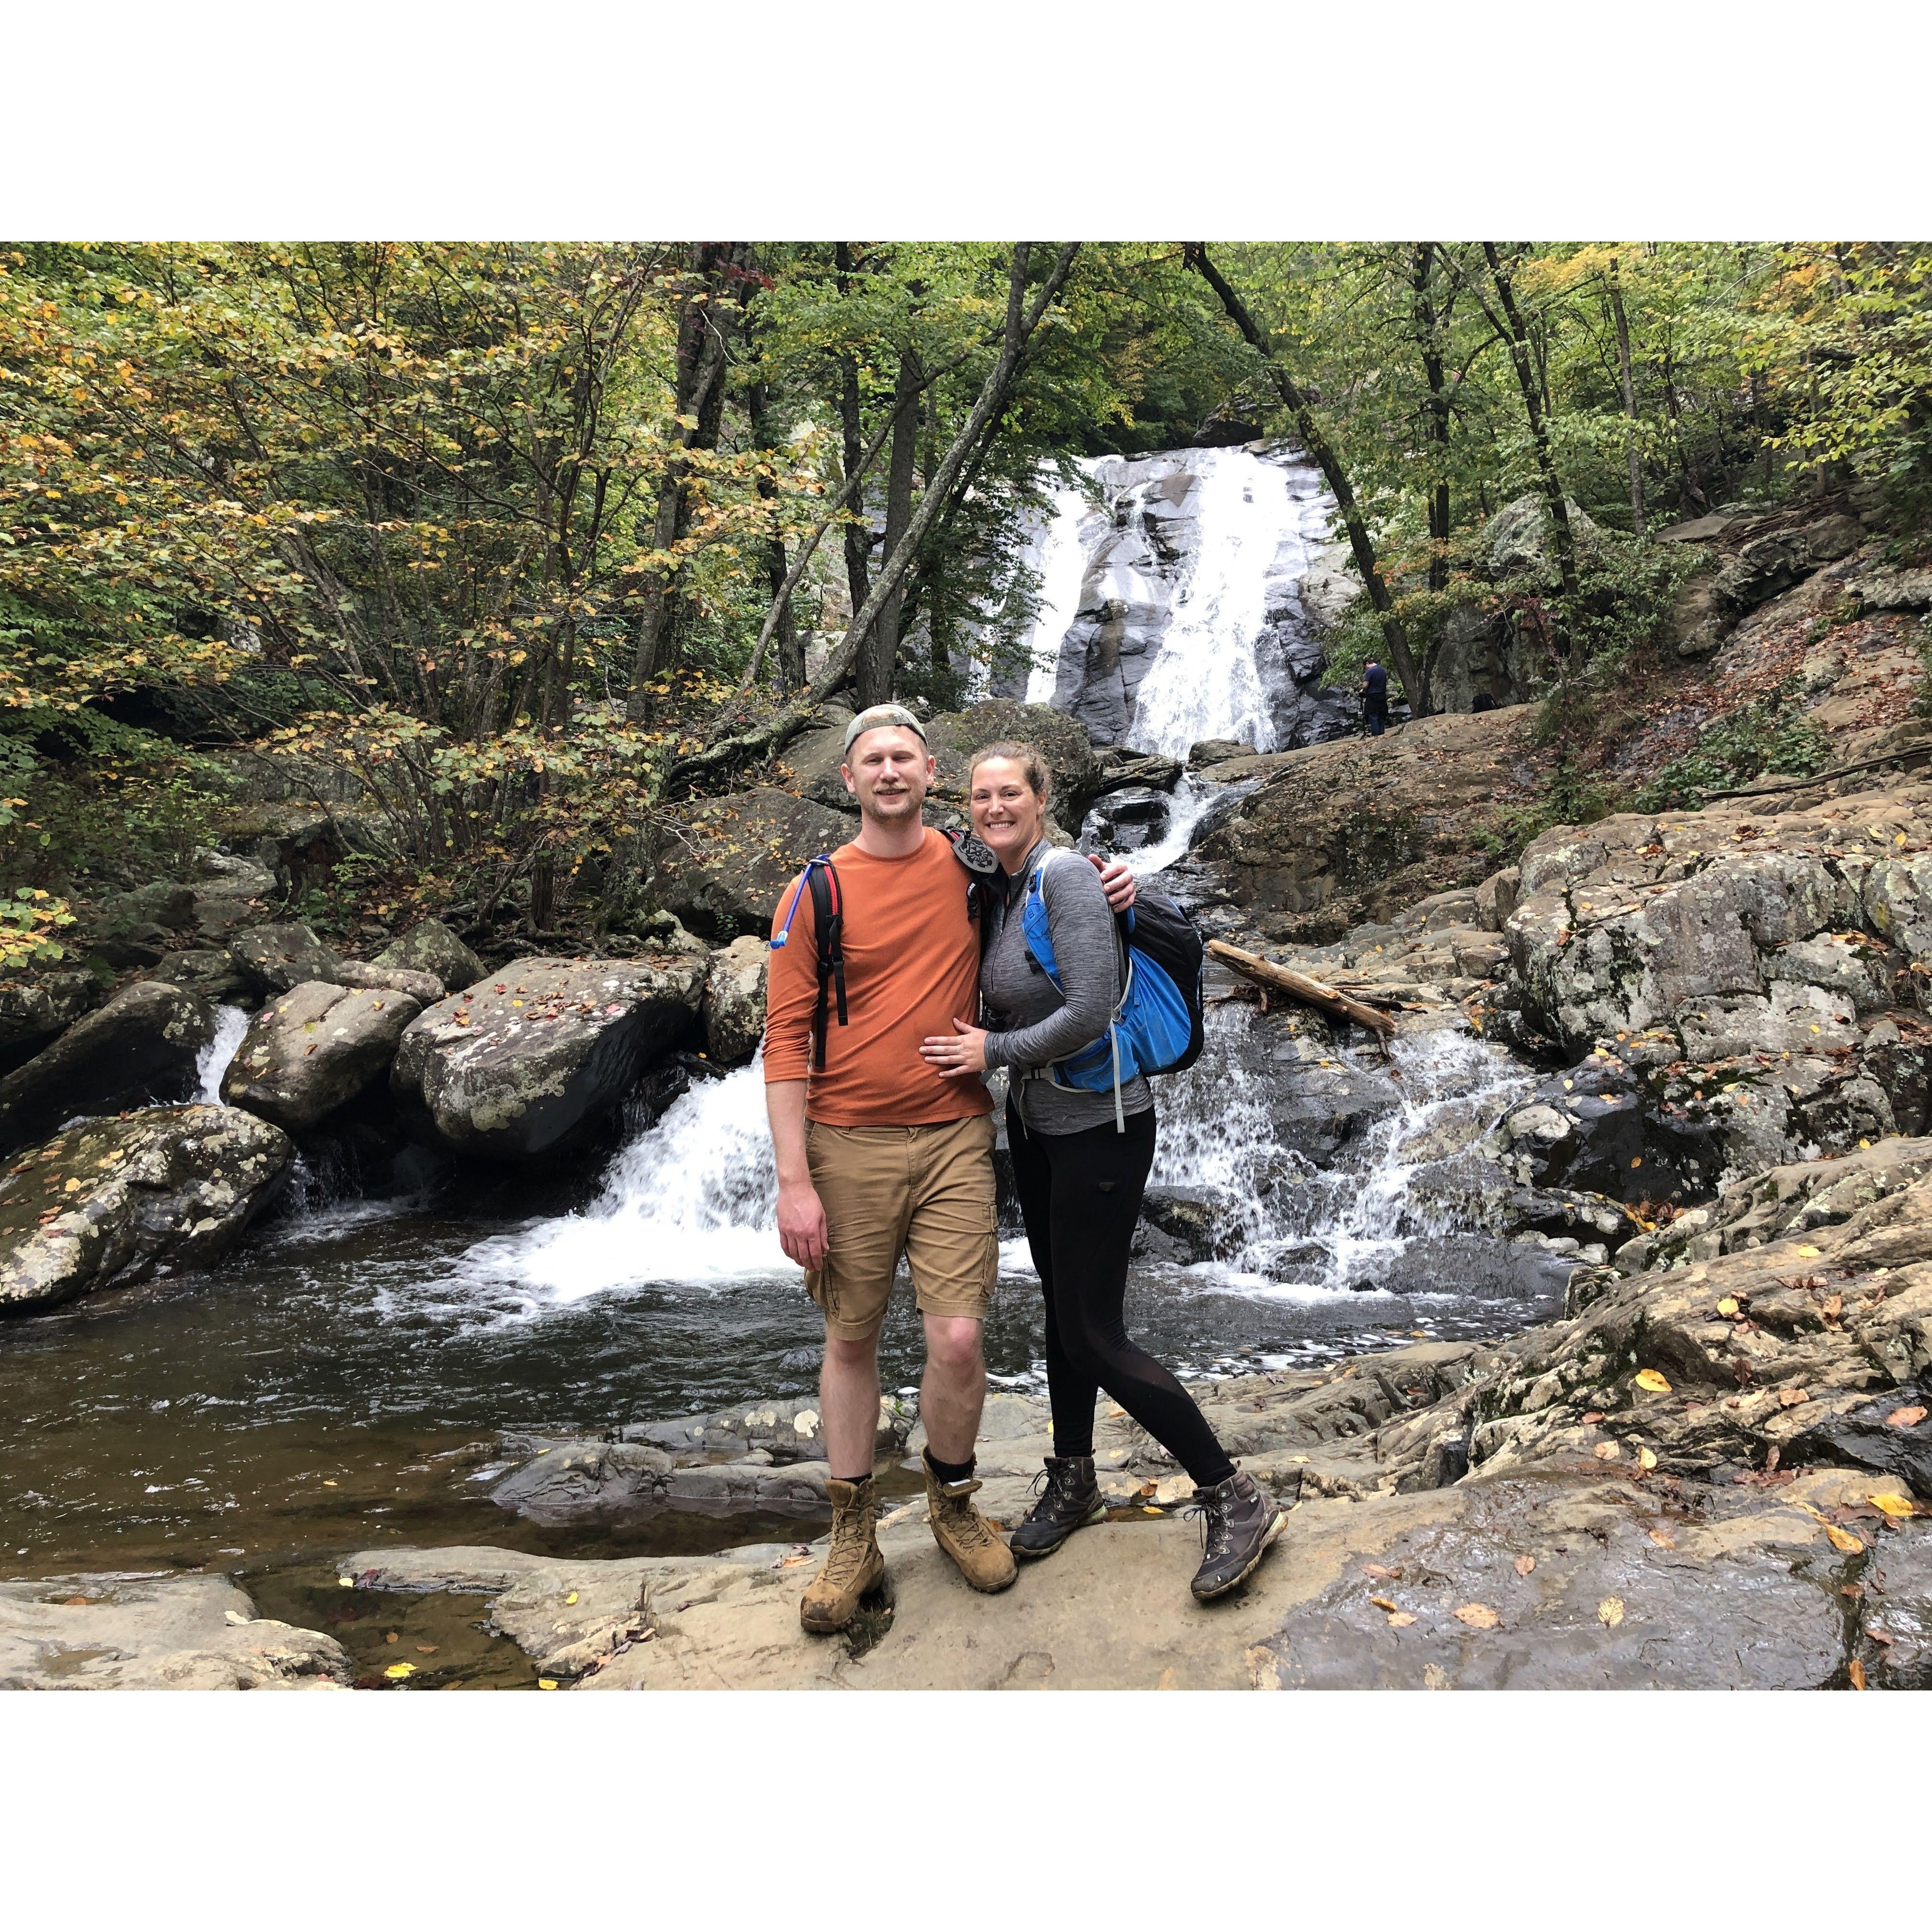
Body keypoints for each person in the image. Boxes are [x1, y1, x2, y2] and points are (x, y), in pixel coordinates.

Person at [764, 703, 1139, 1635]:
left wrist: (1116, 884)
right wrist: (792, 1181)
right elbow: (782, 1045)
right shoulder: (815, 892)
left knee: (960, 1340)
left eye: (903, 757)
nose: (890, 772)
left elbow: (1050, 881)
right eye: (872, 760)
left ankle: (952, 1501)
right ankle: (853, 1533)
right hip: (845, 1144)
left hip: (956, 1139)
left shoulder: (973, 869)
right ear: (847, 780)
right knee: (851, 1338)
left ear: (930, 773)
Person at [919, 741, 1286, 1603]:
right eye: (980, 794)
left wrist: (991, 1050)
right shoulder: (1002, 884)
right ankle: (1074, 1477)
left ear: (1042, 800)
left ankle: (1232, 1492)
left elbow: (1089, 1009)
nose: (994, 805)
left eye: (1010, 791)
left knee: (1092, 1330)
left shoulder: (1065, 880)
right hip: (1040, 1124)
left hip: (1100, 1128)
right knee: (1063, 1311)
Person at [1362, 659, 1389, 737]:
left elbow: (1365, 685)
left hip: (1372, 697)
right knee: (1381, 716)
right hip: (1382, 695)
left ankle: (1375, 736)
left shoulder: (1370, 671)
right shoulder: (1382, 670)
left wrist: (1363, 691)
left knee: (1373, 716)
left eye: (1365, 667)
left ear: (1367, 664)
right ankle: (1382, 735)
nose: (1366, 669)